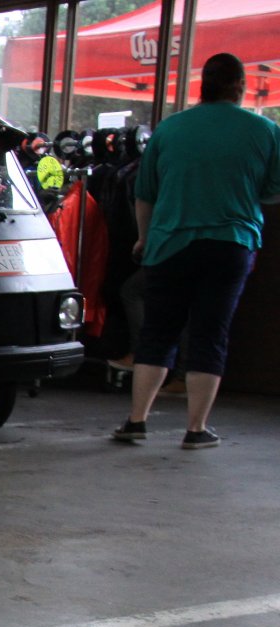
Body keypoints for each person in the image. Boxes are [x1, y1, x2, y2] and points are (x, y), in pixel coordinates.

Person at [112, 52, 280, 449]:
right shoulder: (266, 130)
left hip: (170, 244)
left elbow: (145, 193)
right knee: (210, 333)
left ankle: (136, 420)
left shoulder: (170, 129)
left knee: (158, 331)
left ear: (201, 87)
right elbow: (272, 192)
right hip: (230, 245)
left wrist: (143, 237)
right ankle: (195, 429)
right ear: (240, 87)